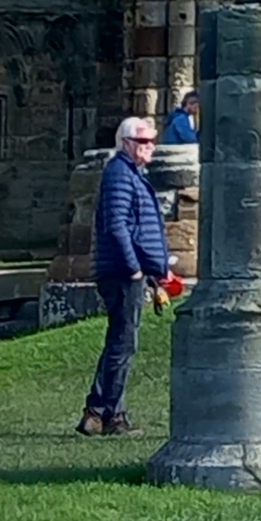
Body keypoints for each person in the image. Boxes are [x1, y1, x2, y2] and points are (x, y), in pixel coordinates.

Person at [81, 113, 178, 437]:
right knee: (123, 345)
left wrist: (156, 269)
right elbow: (117, 225)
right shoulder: (120, 174)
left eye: (152, 140)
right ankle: (110, 416)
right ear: (126, 143)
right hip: (123, 274)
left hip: (131, 272)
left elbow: (138, 228)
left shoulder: (131, 173)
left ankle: (98, 412)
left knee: (119, 343)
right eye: (143, 141)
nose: (150, 146)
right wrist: (135, 269)